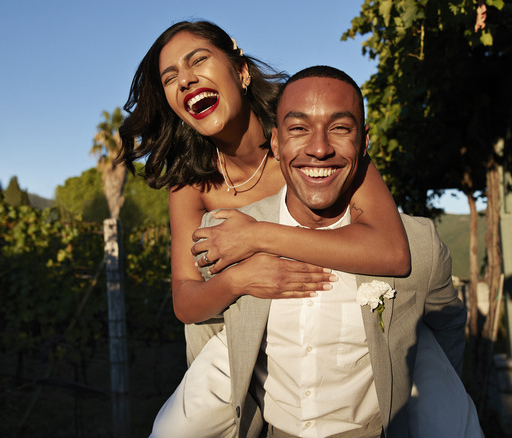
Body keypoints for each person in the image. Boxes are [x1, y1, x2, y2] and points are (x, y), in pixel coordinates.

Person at [152, 66, 483, 438]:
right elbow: (206, 340)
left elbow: (445, 335)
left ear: (364, 140)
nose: (320, 148)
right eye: (298, 129)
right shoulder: (226, 237)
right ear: (275, 143)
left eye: (340, 128)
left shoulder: (418, 244)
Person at [116, 21, 410, 364]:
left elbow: (391, 251)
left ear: (241, 72)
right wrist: (238, 280)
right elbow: (185, 302)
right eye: (170, 78)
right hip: (237, 356)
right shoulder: (189, 184)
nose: (185, 80)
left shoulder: (313, 145)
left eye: (197, 61)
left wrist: (256, 236)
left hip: (337, 341)